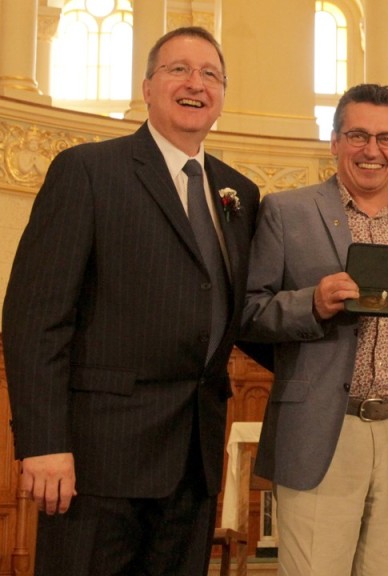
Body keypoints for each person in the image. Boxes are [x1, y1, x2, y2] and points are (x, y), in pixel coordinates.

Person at [2, 27, 261, 575]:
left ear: (223, 95)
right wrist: (43, 443)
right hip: (100, 459)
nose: (195, 84)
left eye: (210, 75)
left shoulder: (237, 193)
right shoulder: (89, 171)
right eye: (178, 69)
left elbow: (238, 313)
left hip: (193, 461)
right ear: (146, 87)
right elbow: (35, 317)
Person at [242, 83, 388, 576]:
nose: (372, 150)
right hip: (322, 431)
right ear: (334, 141)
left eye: (386, 138)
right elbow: (248, 313)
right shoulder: (287, 212)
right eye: (358, 135)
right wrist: (311, 303)